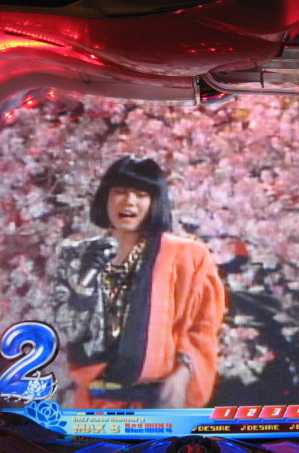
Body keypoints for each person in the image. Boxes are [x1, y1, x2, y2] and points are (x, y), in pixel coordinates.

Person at [55, 156, 226, 409]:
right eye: (120, 192)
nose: (129, 201)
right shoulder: (81, 256)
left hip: (157, 402)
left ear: (155, 201)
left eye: (141, 194)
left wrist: (184, 373)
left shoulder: (187, 256)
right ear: (105, 197)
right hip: (94, 401)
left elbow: (204, 327)